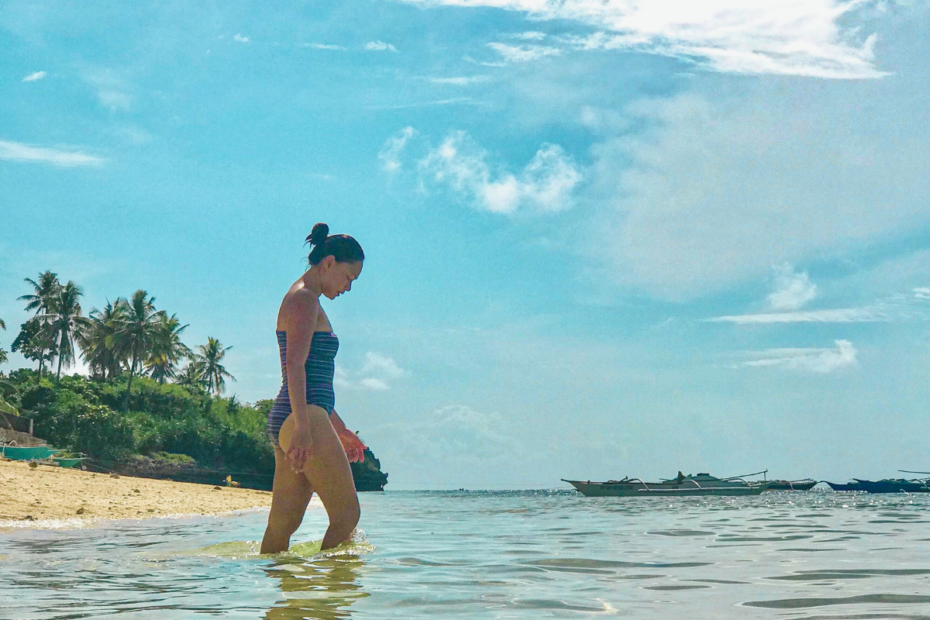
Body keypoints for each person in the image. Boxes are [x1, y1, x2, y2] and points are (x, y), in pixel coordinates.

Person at [260, 223, 368, 554]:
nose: (348, 287)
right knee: (347, 515)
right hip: (300, 416)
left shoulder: (307, 299)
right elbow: (294, 367)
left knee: (283, 524)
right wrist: (305, 428)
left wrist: (341, 429)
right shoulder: (304, 299)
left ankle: (281, 603)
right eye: (349, 277)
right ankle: (328, 601)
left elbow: (314, 382)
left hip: (296, 415)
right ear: (330, 262)